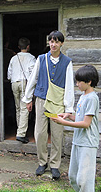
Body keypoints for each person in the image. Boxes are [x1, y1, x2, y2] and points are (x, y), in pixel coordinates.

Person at [22, 30, 74, 180]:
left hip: (57, 102)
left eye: (56, 41)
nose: (53, 44)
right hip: (41, 100)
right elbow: (33, 79)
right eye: (51, 41)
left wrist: (68, 108)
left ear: (61, 43)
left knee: (57, 134)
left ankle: (55, 165)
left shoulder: (67, 62)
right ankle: (42, 162)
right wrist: (27, 99)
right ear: (48, 43)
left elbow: (69, 86)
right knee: (40, 133)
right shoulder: (41, 59)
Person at [51, 65, 99, 192]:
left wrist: (63, 123)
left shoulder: (92, 98)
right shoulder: (83, 96)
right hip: (77, 141)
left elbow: (86, 124)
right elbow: (80, 118)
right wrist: (68, 116)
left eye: (79, 82)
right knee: (73, 177)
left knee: (84, 181)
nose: (77, 84)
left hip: (88, 143)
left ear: (89, 82)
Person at [7, 37, 36, 143]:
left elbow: (9, 74)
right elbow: (33, 74)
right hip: (24, 82)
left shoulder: (13, 58)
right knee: (25, 108)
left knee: (18, 107)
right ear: (28, 46)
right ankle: (21, 133)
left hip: (14, 82)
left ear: (19, 47)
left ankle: (19, 129)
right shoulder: (31, 58)